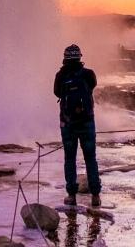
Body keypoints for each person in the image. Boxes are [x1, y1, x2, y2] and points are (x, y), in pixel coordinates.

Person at [53, 44, 101, 207]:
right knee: (90, 159)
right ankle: (95, 196)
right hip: (87, 122)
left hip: (68, 124)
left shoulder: (61, 75)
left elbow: (57, 93)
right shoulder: (88, 74)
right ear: (80, 57)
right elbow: (92, 86)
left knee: (70, 159)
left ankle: (72, 195)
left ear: (65, 58)